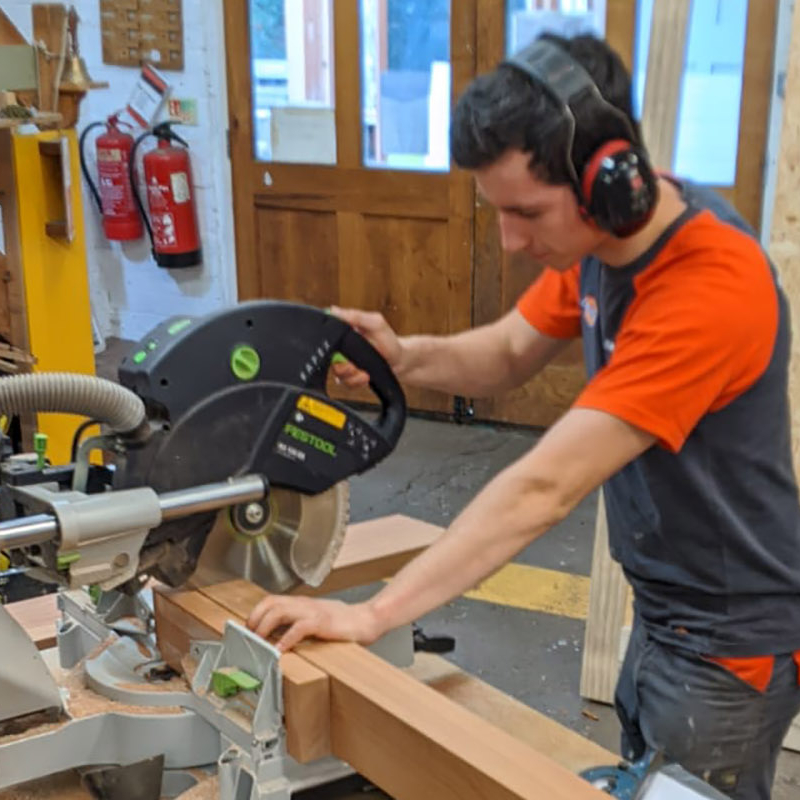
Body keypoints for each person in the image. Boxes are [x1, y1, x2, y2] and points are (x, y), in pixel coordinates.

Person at [248, 33, 800, 800]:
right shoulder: (602, 239)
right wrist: (402, 356)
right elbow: (509, 352)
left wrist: (374, 615)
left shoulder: (708, 287)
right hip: (667, 613)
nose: (509, 240)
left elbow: (544, 488)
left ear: (612, 181)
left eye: (526, 212)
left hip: (727, 646)